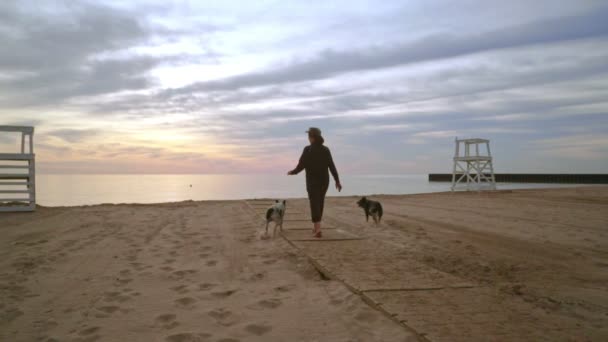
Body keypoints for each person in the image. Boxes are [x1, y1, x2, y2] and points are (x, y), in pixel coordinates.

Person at [287, 127, 342, 238]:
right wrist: (337, 180)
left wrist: (294, 172)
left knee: (314, 203)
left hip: (312, 181)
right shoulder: (325, 150)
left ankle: (317, 229)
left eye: (309, 136)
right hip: (324, 181)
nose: (308, 138)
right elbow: (331, 166)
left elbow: (301, 165)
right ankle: (317, 227)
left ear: (312, 137)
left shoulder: (308, 149)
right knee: (320, 202)